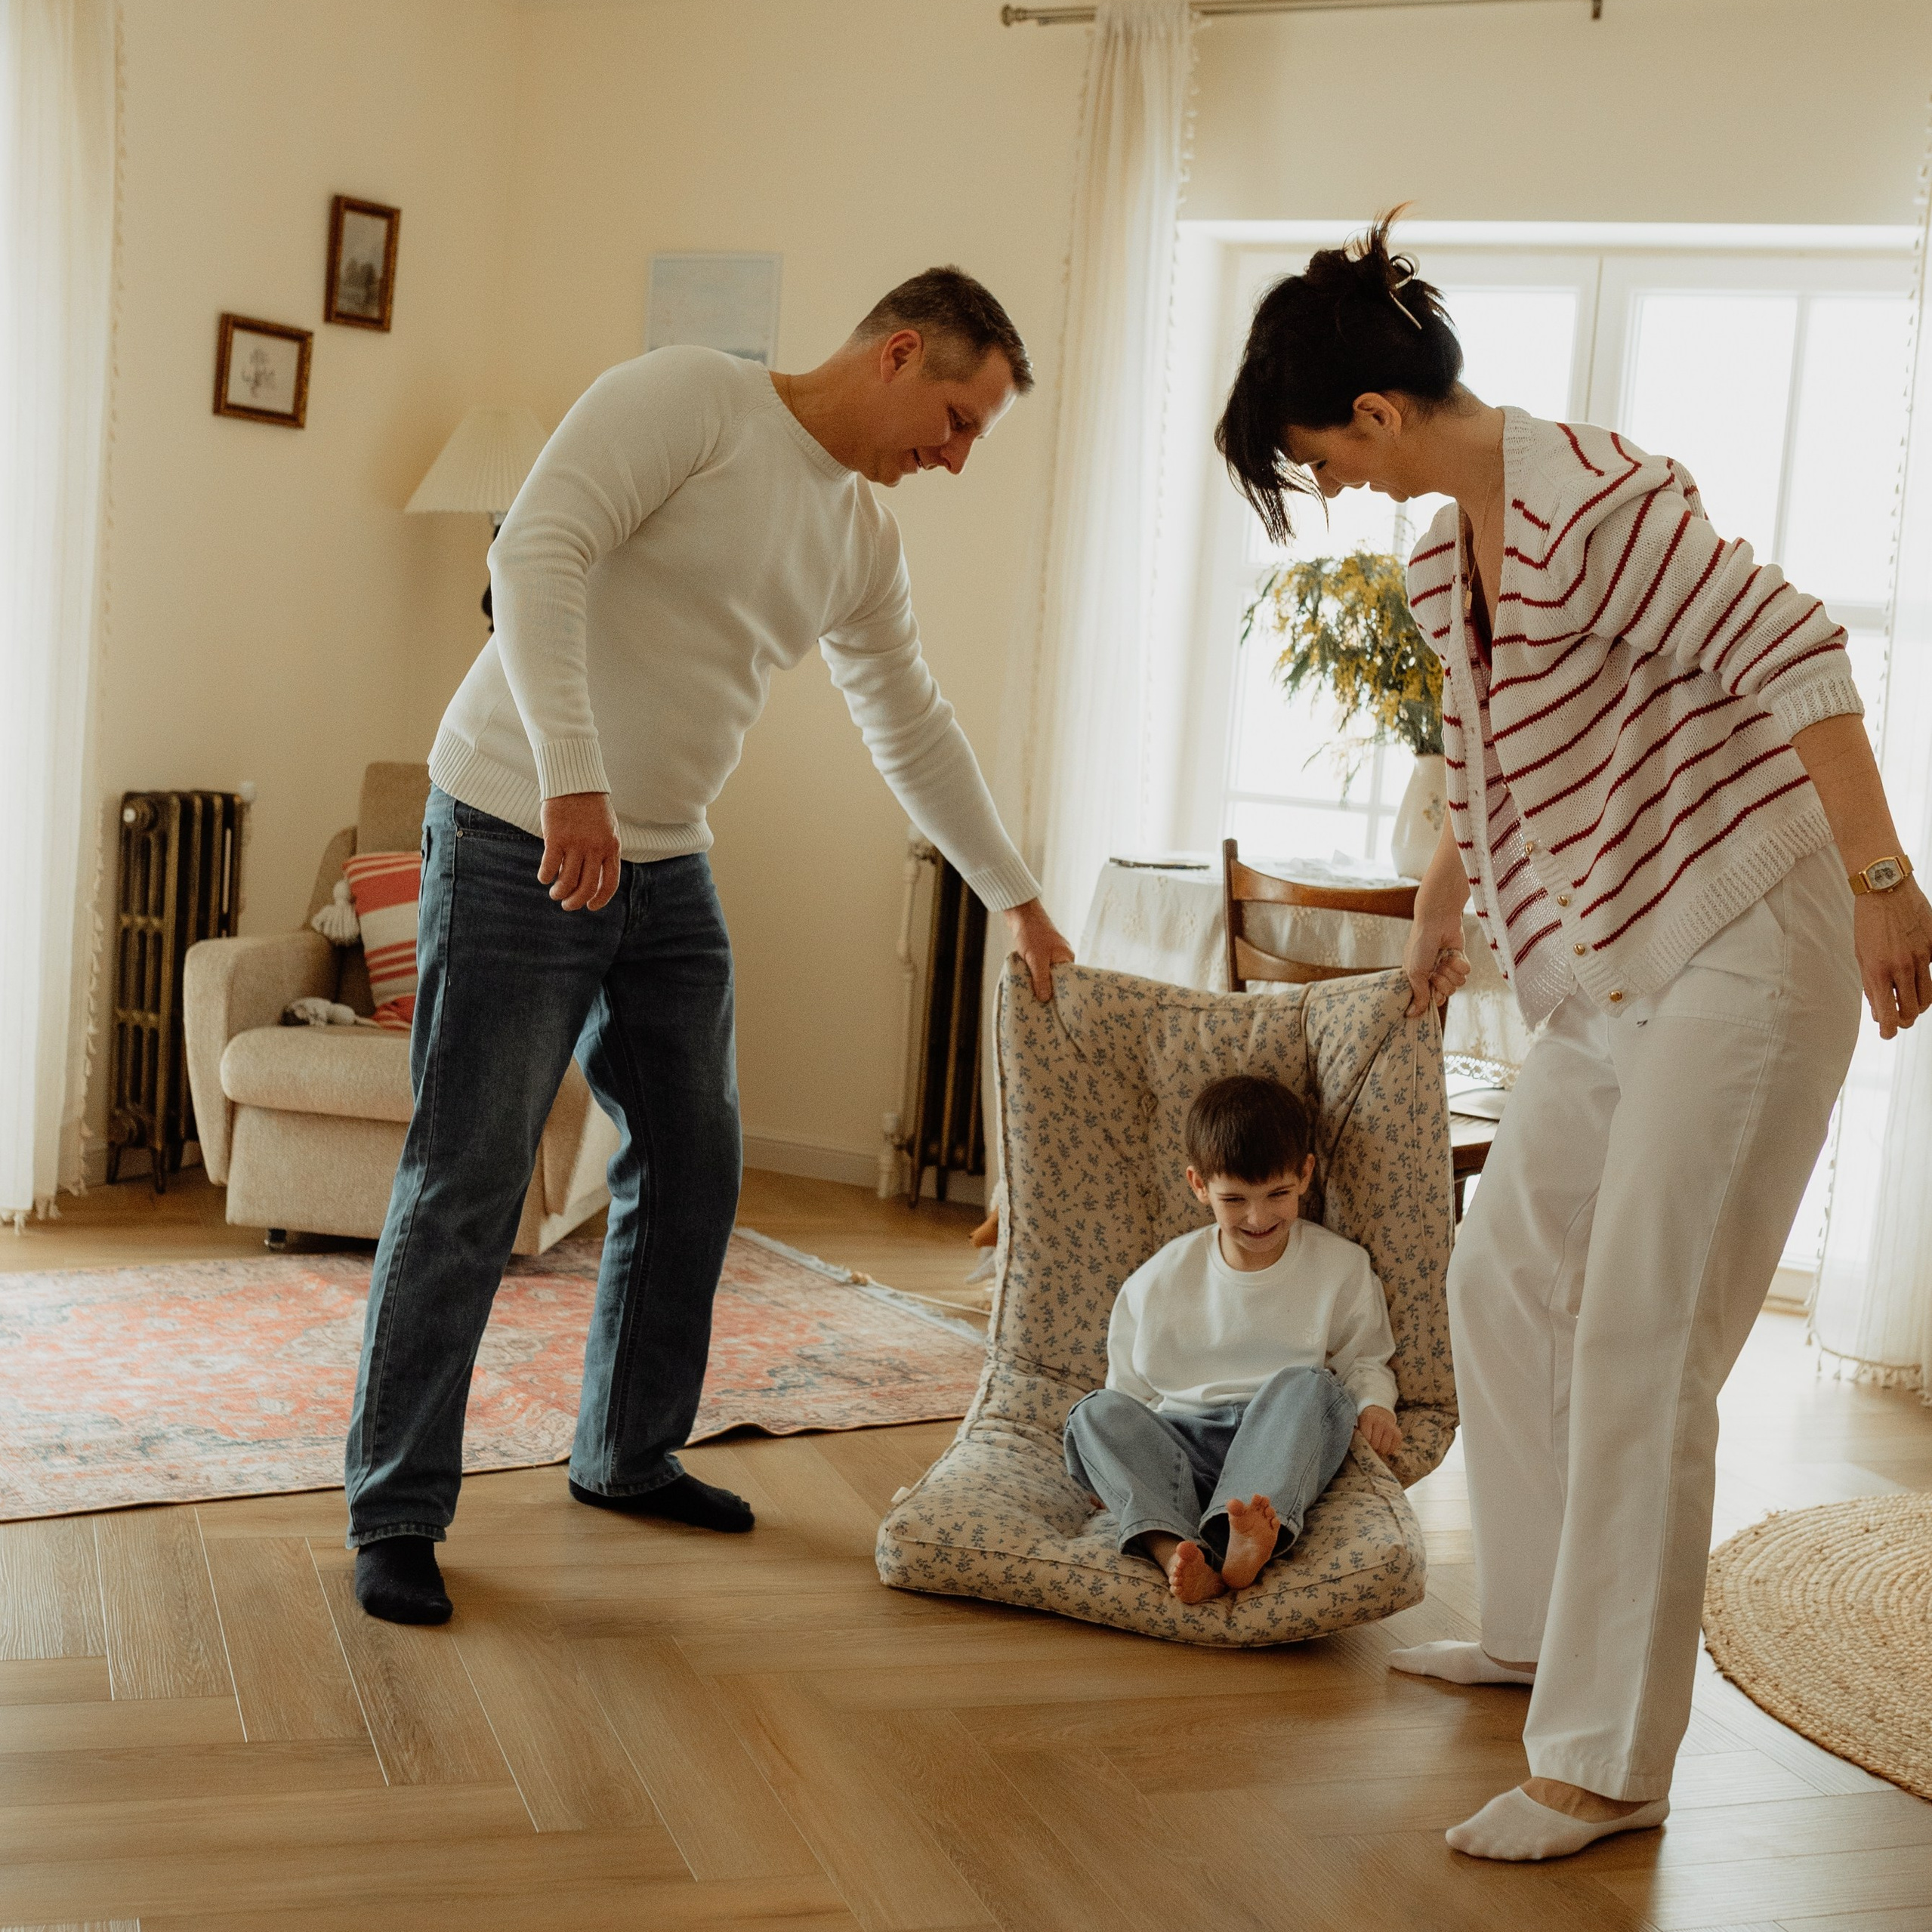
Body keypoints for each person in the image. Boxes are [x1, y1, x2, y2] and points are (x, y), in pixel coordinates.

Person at [1214, 218, 1932, 1861]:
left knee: (1642, 1337)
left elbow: (1799, 645)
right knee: (1501, 1275)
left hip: (1745, 946)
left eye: (1321, 454)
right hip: (1614, 970)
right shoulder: (1439, 552)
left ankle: (1607, 1762)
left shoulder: (1591, 507)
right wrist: (1445, 897)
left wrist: (1883, 884)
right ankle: (1541, 1627)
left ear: (1379, 414)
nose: (1332, 488)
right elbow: (1477, 744)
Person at [345, 267, 1075, 1625]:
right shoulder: (690, 396)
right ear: (901, 354)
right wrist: (573, 780)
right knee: (468, 1174)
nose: (957, 456)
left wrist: (1015, 896)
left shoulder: (859, 537)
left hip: (663, 855)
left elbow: (910, 724)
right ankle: (395, 1508)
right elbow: (533, 551)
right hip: (517, 822)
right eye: (959, 418)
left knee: (695, 1159)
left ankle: (625, 1454)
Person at [1063, 1074, 1403, 1606]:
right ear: (1199, 1185)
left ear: (1306, 1175)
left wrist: (1376, 1406)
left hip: (1276, 1444)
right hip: (1180, 1442)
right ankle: (1175, 1549)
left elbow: (1365, 1359)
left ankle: (1240, 1535)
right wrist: (1119, 1470)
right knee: (1091, 1415)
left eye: (1277, 1195)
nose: (1258, 1217)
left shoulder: (1340, 1266)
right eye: (1235, 1199)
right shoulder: (1159, 1278)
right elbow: (1126, 1392)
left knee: (1314, 1387)